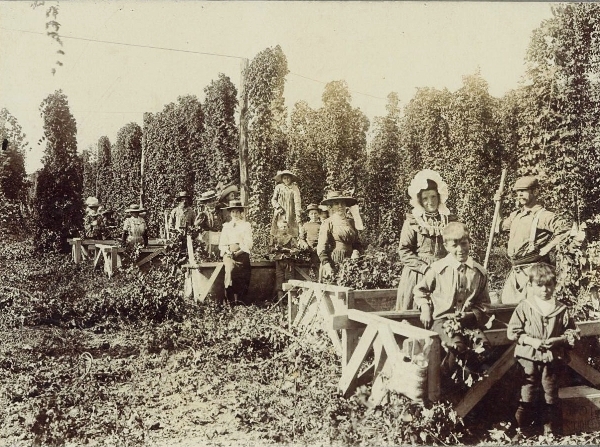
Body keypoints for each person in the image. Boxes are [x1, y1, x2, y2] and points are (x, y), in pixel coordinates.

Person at [507, 263, 577, 436]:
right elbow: (513, 332)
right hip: (529, 358)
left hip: (551, 359)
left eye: (549, 285)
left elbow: (572, 332)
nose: (545, 290)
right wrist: (531, 341)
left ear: (554, 285)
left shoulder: (561, 309)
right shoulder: (525, 307)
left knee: (550, 392)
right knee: (527, 392)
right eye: (539, 285)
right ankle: (521, 429)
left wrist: (558, 340)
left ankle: (550, 429)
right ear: (531, 285)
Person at [413, 222, 491, 377]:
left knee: (484, 347)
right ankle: (442, 379)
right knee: (457, 346)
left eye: (464, 244)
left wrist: (471, 315)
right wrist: (426, 309)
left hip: (468, 322)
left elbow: (484, 304)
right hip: (443, 321)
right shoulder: (438, 269)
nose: (460, 249)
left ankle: (468, 383)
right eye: (454, 245)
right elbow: (420, 291)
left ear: (469, 243)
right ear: (446, 246)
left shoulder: (479, 272)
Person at [495, 176, 570, 304]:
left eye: (523, 191)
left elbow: (567, 230)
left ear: (535, 192)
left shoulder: (544, 216)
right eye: (517, 192)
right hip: (516, 271)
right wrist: (498, 205)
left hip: (534, 270)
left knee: (534, 308)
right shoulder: (516, 216)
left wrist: (548, 247)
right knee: (508, 308)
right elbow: (498, 227)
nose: (519, 194)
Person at [396, 169, 456, 311]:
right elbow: (404, 251)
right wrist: (425, 269)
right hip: (418, 274)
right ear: (420, 200)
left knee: (443, 316)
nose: (430, 202)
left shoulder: (449, 219)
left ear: (439, 196)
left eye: (433, 197)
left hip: (443, 273)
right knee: (416, 315)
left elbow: (457, 245)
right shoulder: (413, 221)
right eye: (425, 198)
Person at [317, 191, 361, 283]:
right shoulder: (328, 222)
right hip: (335, 260)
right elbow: (321, 246)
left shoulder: (351, 222)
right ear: (331, 207)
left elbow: (357, 242)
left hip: (351, 261)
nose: (340, 206)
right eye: (337, 204)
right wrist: (326, 264)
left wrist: (356, 251)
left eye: (342, 203)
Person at [219, 200, 253, 306]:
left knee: (244, 272)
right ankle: (230, 301)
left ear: (241, 212)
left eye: (237, 212)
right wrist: (228, 252)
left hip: (242, 253)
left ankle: (241, 301)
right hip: (229, 254)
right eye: (233, 212)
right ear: (230, 213)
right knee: (230, 269)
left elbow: (249, 243)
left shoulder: (246, 225)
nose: (235, 214)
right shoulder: (226, 226)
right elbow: (222, 244)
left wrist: (238, 252)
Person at [271, 219, 299, 300]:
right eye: (281, 227)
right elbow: (270, 249)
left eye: (285, 227)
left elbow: (296, 249)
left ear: (288, 228)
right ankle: (280, 303)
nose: (283, 228)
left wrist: (293, 251)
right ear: (278, 228)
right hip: (279, 261)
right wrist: (275, 249)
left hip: (289, 261)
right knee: (279, 280)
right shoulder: (275, 238)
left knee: (289, 279)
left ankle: (289, 301)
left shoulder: (291, 238)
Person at [271, 170, 302, 239]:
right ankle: (278, 245)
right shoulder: (278, 187)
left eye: (288, 178)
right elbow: (273, 199)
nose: (287, 180)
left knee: (291, 228)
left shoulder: (294, 188)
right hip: (280, 212)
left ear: (291, 178)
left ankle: (291, 245)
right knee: (279, 228)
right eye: (284, 178)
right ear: (282, 179)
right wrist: (278, 207)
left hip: (290, 212)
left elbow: (297, 201)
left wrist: (298, 212)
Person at [195, 189, 223, 258]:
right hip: (209, 237)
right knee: (209, 252)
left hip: (219, 236)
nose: (212, 203)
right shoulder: (203, 214)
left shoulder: (220, 212)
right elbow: (197, 226)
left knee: (219, 251)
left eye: (213, 201)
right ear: (205, 204)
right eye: (209, 202)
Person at [298, 203, 322, 272]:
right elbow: (301, 238)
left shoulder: (322, 225)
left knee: (319, 267)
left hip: (319, 248)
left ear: (318, 214)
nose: (314, 215)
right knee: (307, 267)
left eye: (315, 213)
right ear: (309, 215)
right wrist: (305, 244)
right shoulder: (306, 225)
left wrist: (319, 246)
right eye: (311, 214)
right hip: (309, 249)